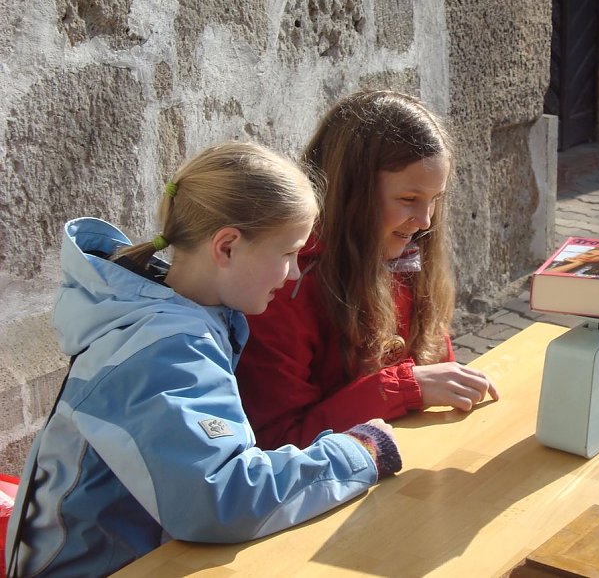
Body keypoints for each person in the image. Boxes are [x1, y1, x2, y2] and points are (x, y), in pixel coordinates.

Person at [5, 142, 401, 578]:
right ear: (227, 247)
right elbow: (219, 499)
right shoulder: (165, 349)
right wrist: (357, 451)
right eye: (288, 253)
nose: (293, 273)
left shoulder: (185, 319)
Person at [237, 90, 498, 450]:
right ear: (350, 192)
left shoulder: (405, 254)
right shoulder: (284, 285)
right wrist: (401, 388)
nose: (425, 221)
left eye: (435, 200)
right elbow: (279, 442)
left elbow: (438, 373)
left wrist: (437, 386)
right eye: (408, 199)